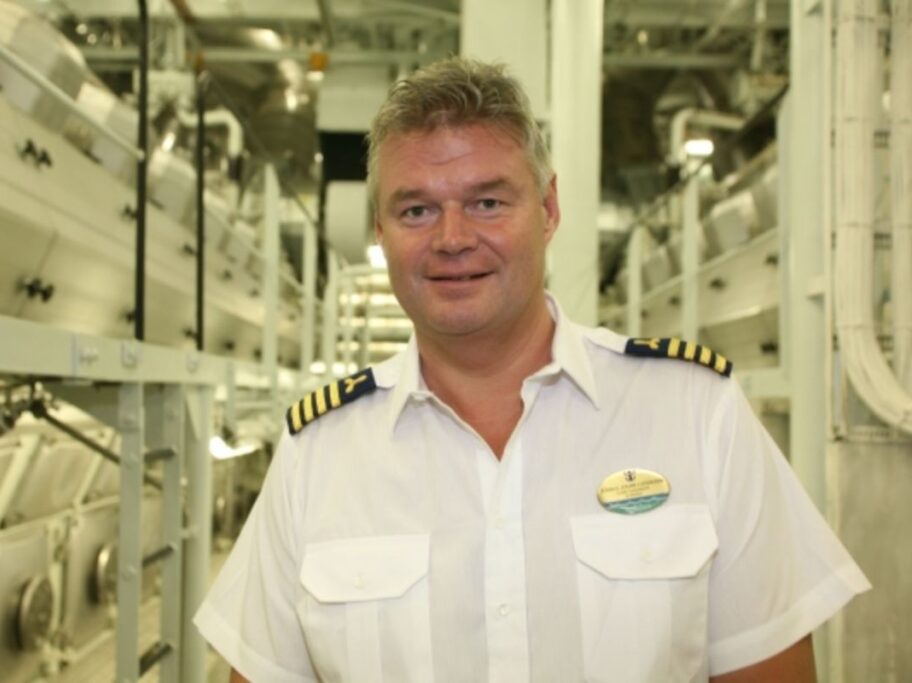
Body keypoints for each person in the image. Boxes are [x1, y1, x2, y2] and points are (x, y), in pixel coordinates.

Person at [194, 57, 870, 682]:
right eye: (417, 209)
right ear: (380, 229)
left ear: (547, 210)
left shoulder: (697, 415)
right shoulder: (319, 456)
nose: (453, 237)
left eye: (488, 202)